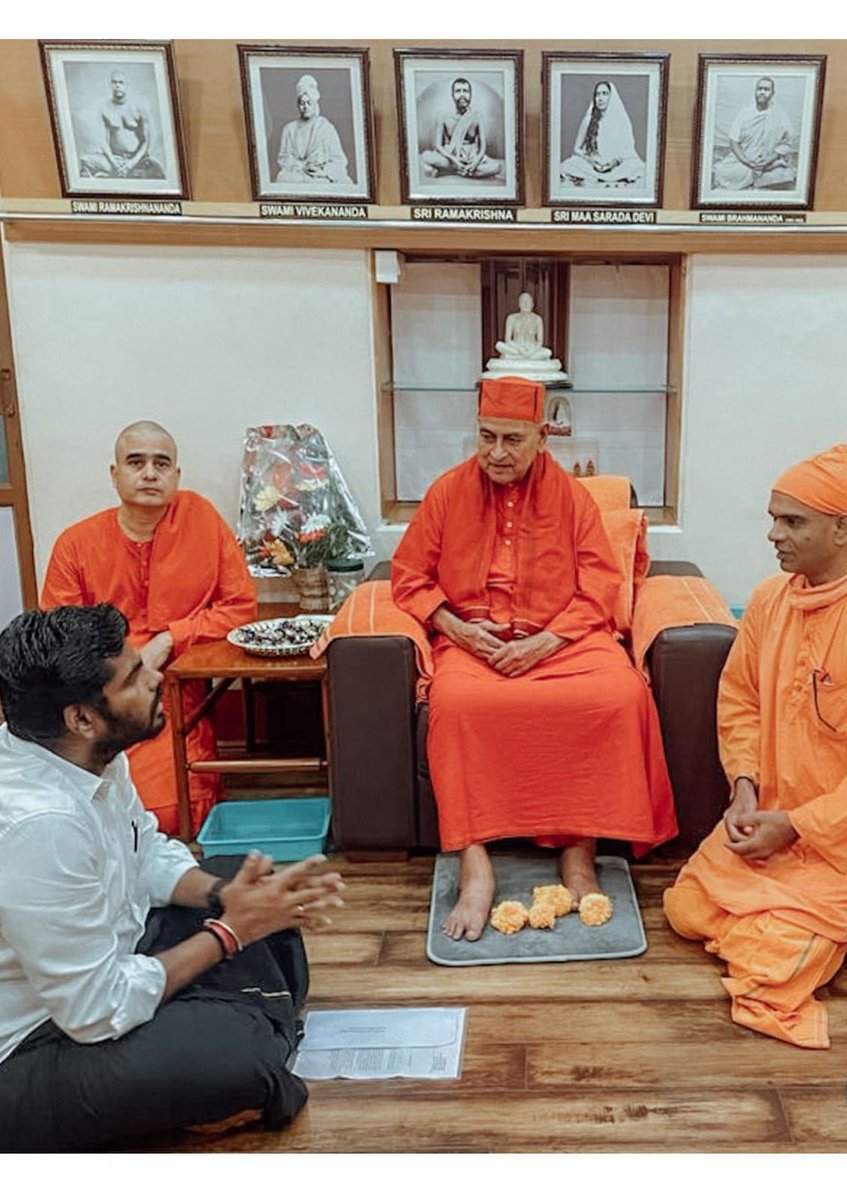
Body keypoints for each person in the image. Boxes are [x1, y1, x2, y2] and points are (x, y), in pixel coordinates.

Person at [0, 603, 345, 1151]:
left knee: (245, 878)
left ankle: (238, 1015)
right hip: (35, 1043)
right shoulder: (41, 825)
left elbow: (146, 855)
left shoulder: (93, 756)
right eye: (134, 676)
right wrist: (230, 932)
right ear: (82, 718)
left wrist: (227, 896)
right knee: (238, 1064)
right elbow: (95, 1010)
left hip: (115, 957)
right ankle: (242, 1031)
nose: (155, 676)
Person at [392, 376, 676, 941]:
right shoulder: (447, 492)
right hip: (475, 641)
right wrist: (457, 629)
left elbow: (600, 583)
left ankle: (580, 850)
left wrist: (545, 642)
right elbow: (408, 576)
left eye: (513, 440)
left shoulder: (573, 497)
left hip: (565, 640)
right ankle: (475, 865)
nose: (497, 453)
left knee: (617, 695)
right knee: (456, 702)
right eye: (487, 437)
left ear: (542, 438)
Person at [664, 444, 847, 1049]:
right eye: (774, 518)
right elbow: (740, 700)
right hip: (769, 822)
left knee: (770, 971)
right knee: (686, 909)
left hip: (835, 840)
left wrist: (796, 825)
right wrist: (744, 788)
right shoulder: (771, 598)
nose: (773, 534)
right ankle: (809, 937)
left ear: (842, 529)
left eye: (792, 521)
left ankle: (800, 937)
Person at [40, 420, 257, 838]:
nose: (150, 473)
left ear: (176, 474)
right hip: (100, 696)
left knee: (170, 815)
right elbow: (59, 635)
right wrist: (121, 669)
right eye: (136, 462)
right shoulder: (76, 544)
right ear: (115, 473)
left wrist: (170, 638)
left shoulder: (202, 521)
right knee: (86, 811)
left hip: (171, 690)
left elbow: (240, 608)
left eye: (162, 463)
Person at [79, 67, 165, 180]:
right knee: (85, 160)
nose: (117, 85)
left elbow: (146, 143)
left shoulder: (139, 109)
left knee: (158, 169)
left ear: (126, 85)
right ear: (110, 85)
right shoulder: (104, 109)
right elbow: (103, 143)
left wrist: (131, 164)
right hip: (114, 159)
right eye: (114, 82)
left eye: (121, 82)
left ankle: (114, 174)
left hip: (138, 160)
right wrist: (115, 164)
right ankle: (112, 175)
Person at [712, 76, 796, 191]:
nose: (762, 92)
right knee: (721, 171)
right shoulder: (745, 112)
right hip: (745, 159)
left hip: (768, 159)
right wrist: (746, 161)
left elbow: (787, 142)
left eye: (766, 90)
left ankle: (769, 167)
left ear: (772, 93)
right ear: (755, 91)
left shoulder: (780, 115)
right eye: (759, 89)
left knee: (785, 178)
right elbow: (733, 141)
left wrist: (768, 161)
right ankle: (765, 171)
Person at [559, 80, 645, 189]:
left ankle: (604, 178)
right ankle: (596, 178)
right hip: (592, 166)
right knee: (567, 166)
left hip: (615, 167)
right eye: (597, 94)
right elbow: (576, 149)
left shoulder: (621, 121)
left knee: (638, 167)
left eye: (605, 94)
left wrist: (614, 163)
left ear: (612, 97)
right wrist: (592, 162)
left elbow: (628, 151)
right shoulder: (588, 120)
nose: (600, 98)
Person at [420, 77, 503, 181]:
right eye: (458, 91)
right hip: (450, 157)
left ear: (470, 95)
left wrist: (475, 163)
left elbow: (482, 148)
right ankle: (466, 172)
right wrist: (454, 160)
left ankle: (453, 171)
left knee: (497, 166)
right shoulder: (443, 115)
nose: (462, 94)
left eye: (466, 91)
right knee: (426, 156)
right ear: (453, 95)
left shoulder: (477, 116)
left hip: (471, 157)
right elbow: (438, 145)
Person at [276, 74, 352, 185]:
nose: (305, 107)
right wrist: (301, 166)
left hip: (320, 174)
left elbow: (339, 160)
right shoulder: (289, 129)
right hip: (297, 174)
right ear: (297, 105)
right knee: (284, 178)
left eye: (309, 103)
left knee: (344, 182)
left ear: (315, 104)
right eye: (302, 103)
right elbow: (283, 158)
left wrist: (323, 171)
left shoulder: (326, 128)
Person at [494, 293, 554, 361]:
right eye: (523, 302)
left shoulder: (538, 319)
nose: (526, 304)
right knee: (498, 345)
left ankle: (513, 357)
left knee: (548, 352)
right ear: (519, 304)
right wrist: (520, 349)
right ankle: (526, 358)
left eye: (528, 302)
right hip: (516, 348)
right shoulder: (511, 318)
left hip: (532, 349)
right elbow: (507, 340)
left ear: (532, 305)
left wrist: (531, 351)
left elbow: (540, 342)